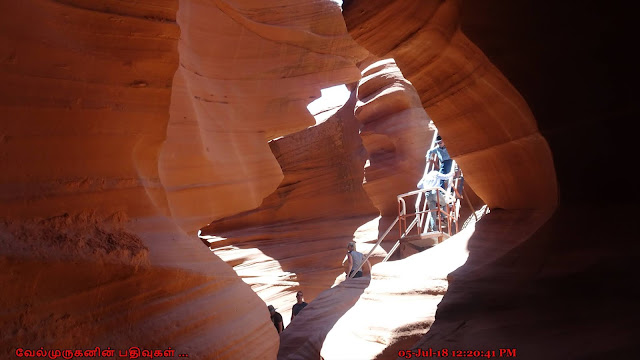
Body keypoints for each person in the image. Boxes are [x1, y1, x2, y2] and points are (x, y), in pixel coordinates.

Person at [416, 165, 456, 232]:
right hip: (435, 192)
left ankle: (434, 229)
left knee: (433, 212)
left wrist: (425, 187)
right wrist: (452, 173)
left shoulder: (425, 176)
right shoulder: (436, 173)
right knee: (444, 203)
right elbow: (445, 177)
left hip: (427, 194)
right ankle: (444, 218)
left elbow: (418, 185)